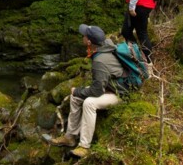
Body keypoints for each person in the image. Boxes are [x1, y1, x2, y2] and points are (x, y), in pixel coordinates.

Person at [48, 24, 125, 158]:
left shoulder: (100, 60)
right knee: (75, 98)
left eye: (84, 35)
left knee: (89, 103)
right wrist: (77, 93)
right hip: (109, 87)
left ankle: (84, 146)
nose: (82, 37)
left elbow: (97, 91)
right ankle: (70, 137)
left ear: (89, 41)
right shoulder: (104, 45)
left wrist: (77, 90)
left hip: (120, 93)